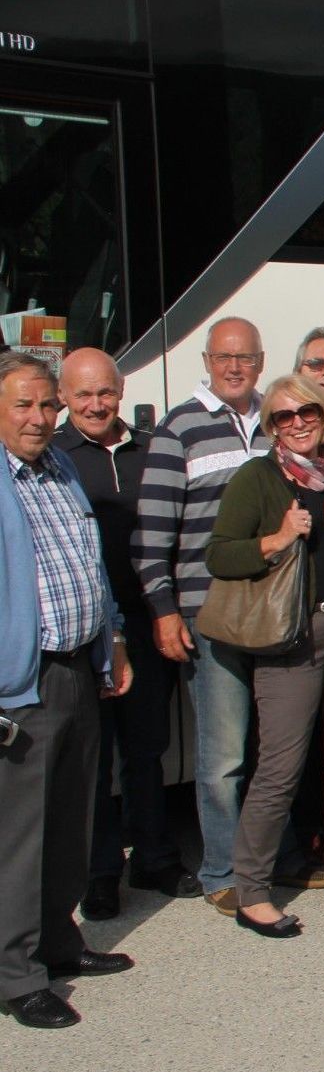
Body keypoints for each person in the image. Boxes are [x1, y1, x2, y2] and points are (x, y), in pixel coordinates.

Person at [132, 316, 311, 917]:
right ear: (206, 361)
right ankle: (221, 871)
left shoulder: (277, 423)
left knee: (274, 749)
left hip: (278, 609)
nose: (234, 368)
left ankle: (276, 859)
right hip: (211, 614)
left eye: (246, 358)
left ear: (261, 363)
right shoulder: (178, 428)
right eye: (223, 357)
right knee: (224, 754)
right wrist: (163, 609)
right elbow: (153, 532)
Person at [206, 374, 324, 938]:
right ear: (271, 425)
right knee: (280, 766)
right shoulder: (257, 477)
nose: (298, 422)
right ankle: (253, 891)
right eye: (284, 416)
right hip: (293, 634)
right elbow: (220, 555)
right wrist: (276, 539)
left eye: (307, 411)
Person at [1, 351, 134, 1029]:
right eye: (24, 405)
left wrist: (110, 638)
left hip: (78, 665)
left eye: (46, 405)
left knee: (71, 818)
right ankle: (16, 972)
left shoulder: (56, 468)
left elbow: (89, 561)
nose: (40, 417)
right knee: (20, 833)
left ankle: (58, 939)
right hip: (21, 680)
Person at [54, 350, 197, 919]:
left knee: (148, 747)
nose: (95, 405)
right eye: (82, 395)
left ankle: (156, 857)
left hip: (147, 620)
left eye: (105, 393)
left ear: (120, 391)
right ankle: (101, 871)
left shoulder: (151, 448)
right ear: (64, 397)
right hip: (86, 628)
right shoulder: (55, 457)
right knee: (95, 756)